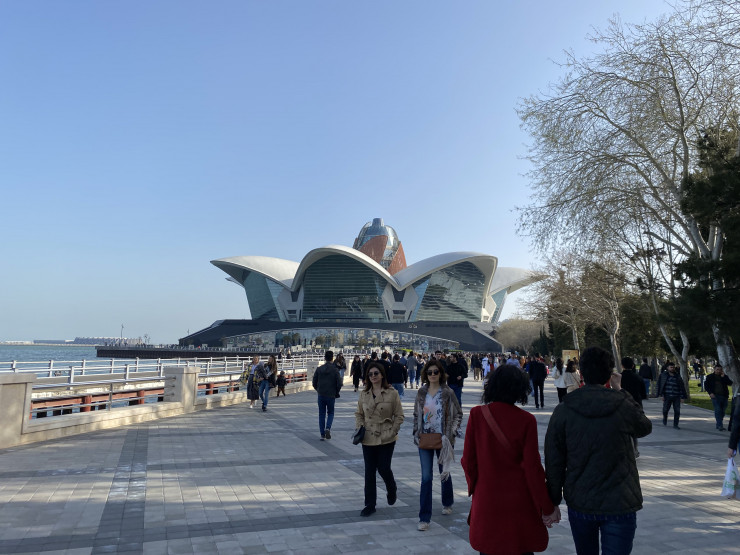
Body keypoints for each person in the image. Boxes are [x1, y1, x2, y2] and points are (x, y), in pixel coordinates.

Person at [545, 347, 652, 555]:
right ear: (609, 374)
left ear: (582, 374)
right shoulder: (622, 404)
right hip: (620, 500)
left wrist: (553, 500)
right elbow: (644, 427)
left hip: (581, 500)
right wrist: (621, 390)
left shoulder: (564, 409)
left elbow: (554, 460)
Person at [462, 364, 559, 554]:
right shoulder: (526, 420)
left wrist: (476, 487)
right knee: (520, 546)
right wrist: (547, 507)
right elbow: (533, 469)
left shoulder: (477, 415)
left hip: (487, 498)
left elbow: (468, 461)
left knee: (489, 548)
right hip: (519, 502)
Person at [412, 359, 463, 531]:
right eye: (429, 372)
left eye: (436, 372)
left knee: (444, 473)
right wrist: (416, 432)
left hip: (444, 440)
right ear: (425, 374)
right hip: (425, 438)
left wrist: (452, 432)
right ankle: (424, 518)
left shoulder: (448, 392)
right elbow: (416, 414)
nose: (433, 375)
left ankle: (447, 502)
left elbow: (459, 413)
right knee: (426, 477)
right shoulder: (421, 392)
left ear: (440, 373)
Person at [354, 361, 404, 517]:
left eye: (376, 373)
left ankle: (391, 487)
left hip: (386, 436)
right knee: (369, 471)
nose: (373, 376)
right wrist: (360, 427)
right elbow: (359, 414)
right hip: (368, 436)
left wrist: (393, 431)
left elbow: (399, 415)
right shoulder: (364, 394)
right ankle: (370, 504)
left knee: (383, 467)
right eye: (370, 374)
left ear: (382, 375)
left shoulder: (392, 393)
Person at [620, 357, 647, 457]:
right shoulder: (638, 378)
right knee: (634, 428)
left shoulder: (619, 378)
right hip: (636, 405)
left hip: (621, 405)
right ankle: (635, 449)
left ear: (622, 366)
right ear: (632, 366)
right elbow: (643, 394)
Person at [312, 350, 342, 440]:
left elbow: (314, 382)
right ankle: (328, 428)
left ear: (325, 358)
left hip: (321, 394)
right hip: (331, 395)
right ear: (332, 358)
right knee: (331, 413)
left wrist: (318, 390)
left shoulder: (319, 369)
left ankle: (322, 434)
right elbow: (339, 383)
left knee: (321, 414)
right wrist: (336, 392)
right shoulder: (335, 370)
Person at [656, 361, 687, 429]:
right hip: (667, 395)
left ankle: (675, 424)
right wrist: (661, 395)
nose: (672, 368)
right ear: (667, 368)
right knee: (665, 410)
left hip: (676, 396)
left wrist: (682, 397)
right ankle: (665, 418)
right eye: (671, 367)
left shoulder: (677, 376)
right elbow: (659, 385)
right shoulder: (663, 375)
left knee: (677, 411)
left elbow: (681, 387)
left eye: (673, 367)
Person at [705, 363, 733, 431]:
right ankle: (720, 425)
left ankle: (719, 423)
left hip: (724, 396)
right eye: (717, 369)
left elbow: (730, 383)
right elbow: (706, 386)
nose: (718, 371)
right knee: (718, 410)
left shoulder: (724, 376)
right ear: (714, 369)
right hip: (715, 396)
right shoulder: (710, 377)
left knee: (722, 411)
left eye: (720, 370)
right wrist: (710, 393)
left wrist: (723, 377)